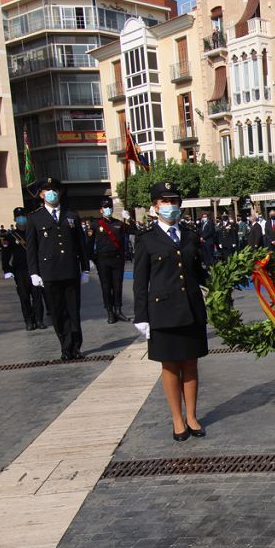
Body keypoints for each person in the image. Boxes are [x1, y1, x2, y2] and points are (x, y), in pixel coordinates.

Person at [133, 182, 208, 441]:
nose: (171, 206)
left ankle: (192, 416)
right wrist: (141, 316)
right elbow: (140, 282)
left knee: (191, 364)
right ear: (155, 206)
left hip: (191, 308)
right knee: (170, 367)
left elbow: (200, 271)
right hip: (163, 312)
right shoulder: (146, 239)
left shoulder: (188, 234)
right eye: (165, 202)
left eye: (175, 201)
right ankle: (177, 419)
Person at [26, 177, 88, 361]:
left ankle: (76, 347)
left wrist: (84, 268)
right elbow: (32, 248)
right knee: (57, 311)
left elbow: (80, 245)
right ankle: (65, 346)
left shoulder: (71, 216)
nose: (52, 193)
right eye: (47, 190)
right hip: (50, 272)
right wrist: (34, 272)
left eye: (55, 189)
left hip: (70, 270)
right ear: (41, 194)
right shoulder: (34, 218)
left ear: (59, 192)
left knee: (73, 311)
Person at [2, 207, 46, 331]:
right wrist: (7, 270)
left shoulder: (33, 233)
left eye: (23, 216)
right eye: (19, 217)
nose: (21, 219)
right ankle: (29, 321)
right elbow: (5, 255)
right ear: (15, 219)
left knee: (37, 295)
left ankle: (39, 320)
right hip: (19, 270)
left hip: (34, 269)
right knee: (24, 297)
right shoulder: (10, 236)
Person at [90, 197, 131, 324]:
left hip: (117, 259)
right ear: (101, 210)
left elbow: (135, 231)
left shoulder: (119, 223)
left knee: (118, 286)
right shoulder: (96, 224)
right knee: (106, 287)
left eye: (110, 207)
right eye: (105, 207)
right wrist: (90, 259)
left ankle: (118, 310)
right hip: (103, 260)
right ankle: (110, 312)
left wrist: (129, 218)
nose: (108, 209)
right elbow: (88, 243)